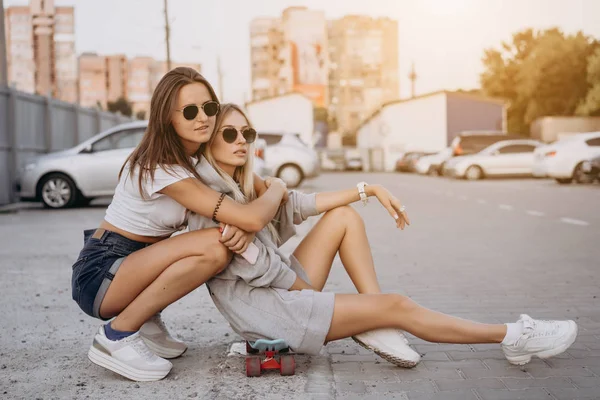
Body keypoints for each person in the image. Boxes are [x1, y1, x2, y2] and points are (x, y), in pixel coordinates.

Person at [189, 103, 578, 369]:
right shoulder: (214, 201)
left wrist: (368, 189)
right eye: (229, 133)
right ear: (209, 140)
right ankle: (512, 336)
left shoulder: (243, 186)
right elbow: (270, 272)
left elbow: (297, 203)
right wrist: (324, 299)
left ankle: (377, 322)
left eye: (247, 131)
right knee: (398, 305)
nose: (241, 139)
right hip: (271, 315)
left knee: (343, 216)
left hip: (278, 291)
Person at [71, 68, 289, 382]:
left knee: (215, 239)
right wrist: (278, 188)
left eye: (209, 108)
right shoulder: (161, 167)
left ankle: (145, 320)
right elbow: (253, 215)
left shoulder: (197, 159)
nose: (203, 118)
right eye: (189, 112)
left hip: (135, 263)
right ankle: (117, 335)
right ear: (167, 118)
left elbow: (254, 195)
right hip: (101, 274)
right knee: (214, 246)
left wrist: (269, 195)